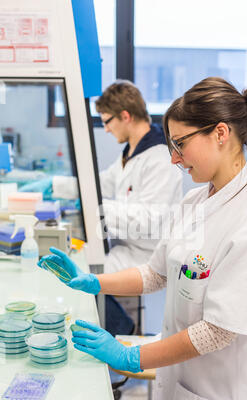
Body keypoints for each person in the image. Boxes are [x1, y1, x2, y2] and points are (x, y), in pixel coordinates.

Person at [38, 77, 247, 400]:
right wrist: (94, 282)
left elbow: (216, 333)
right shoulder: (195, 202)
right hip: (181, 386)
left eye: (180, 144)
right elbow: (156, 273)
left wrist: (131, 356)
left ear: (220, 133)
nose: (173, 158)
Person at [22, 80, 183, 336]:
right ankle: (115, 330)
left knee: (78, 275)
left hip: (145, 255)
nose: (106, 129)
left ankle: (122, 332)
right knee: (78, 267)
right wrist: (54, 184)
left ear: (126, 116)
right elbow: (99, 184)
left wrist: (95, 206)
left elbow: (149, 222)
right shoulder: (131, 153)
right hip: (124, 246)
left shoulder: (160, 159)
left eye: (107, 121)